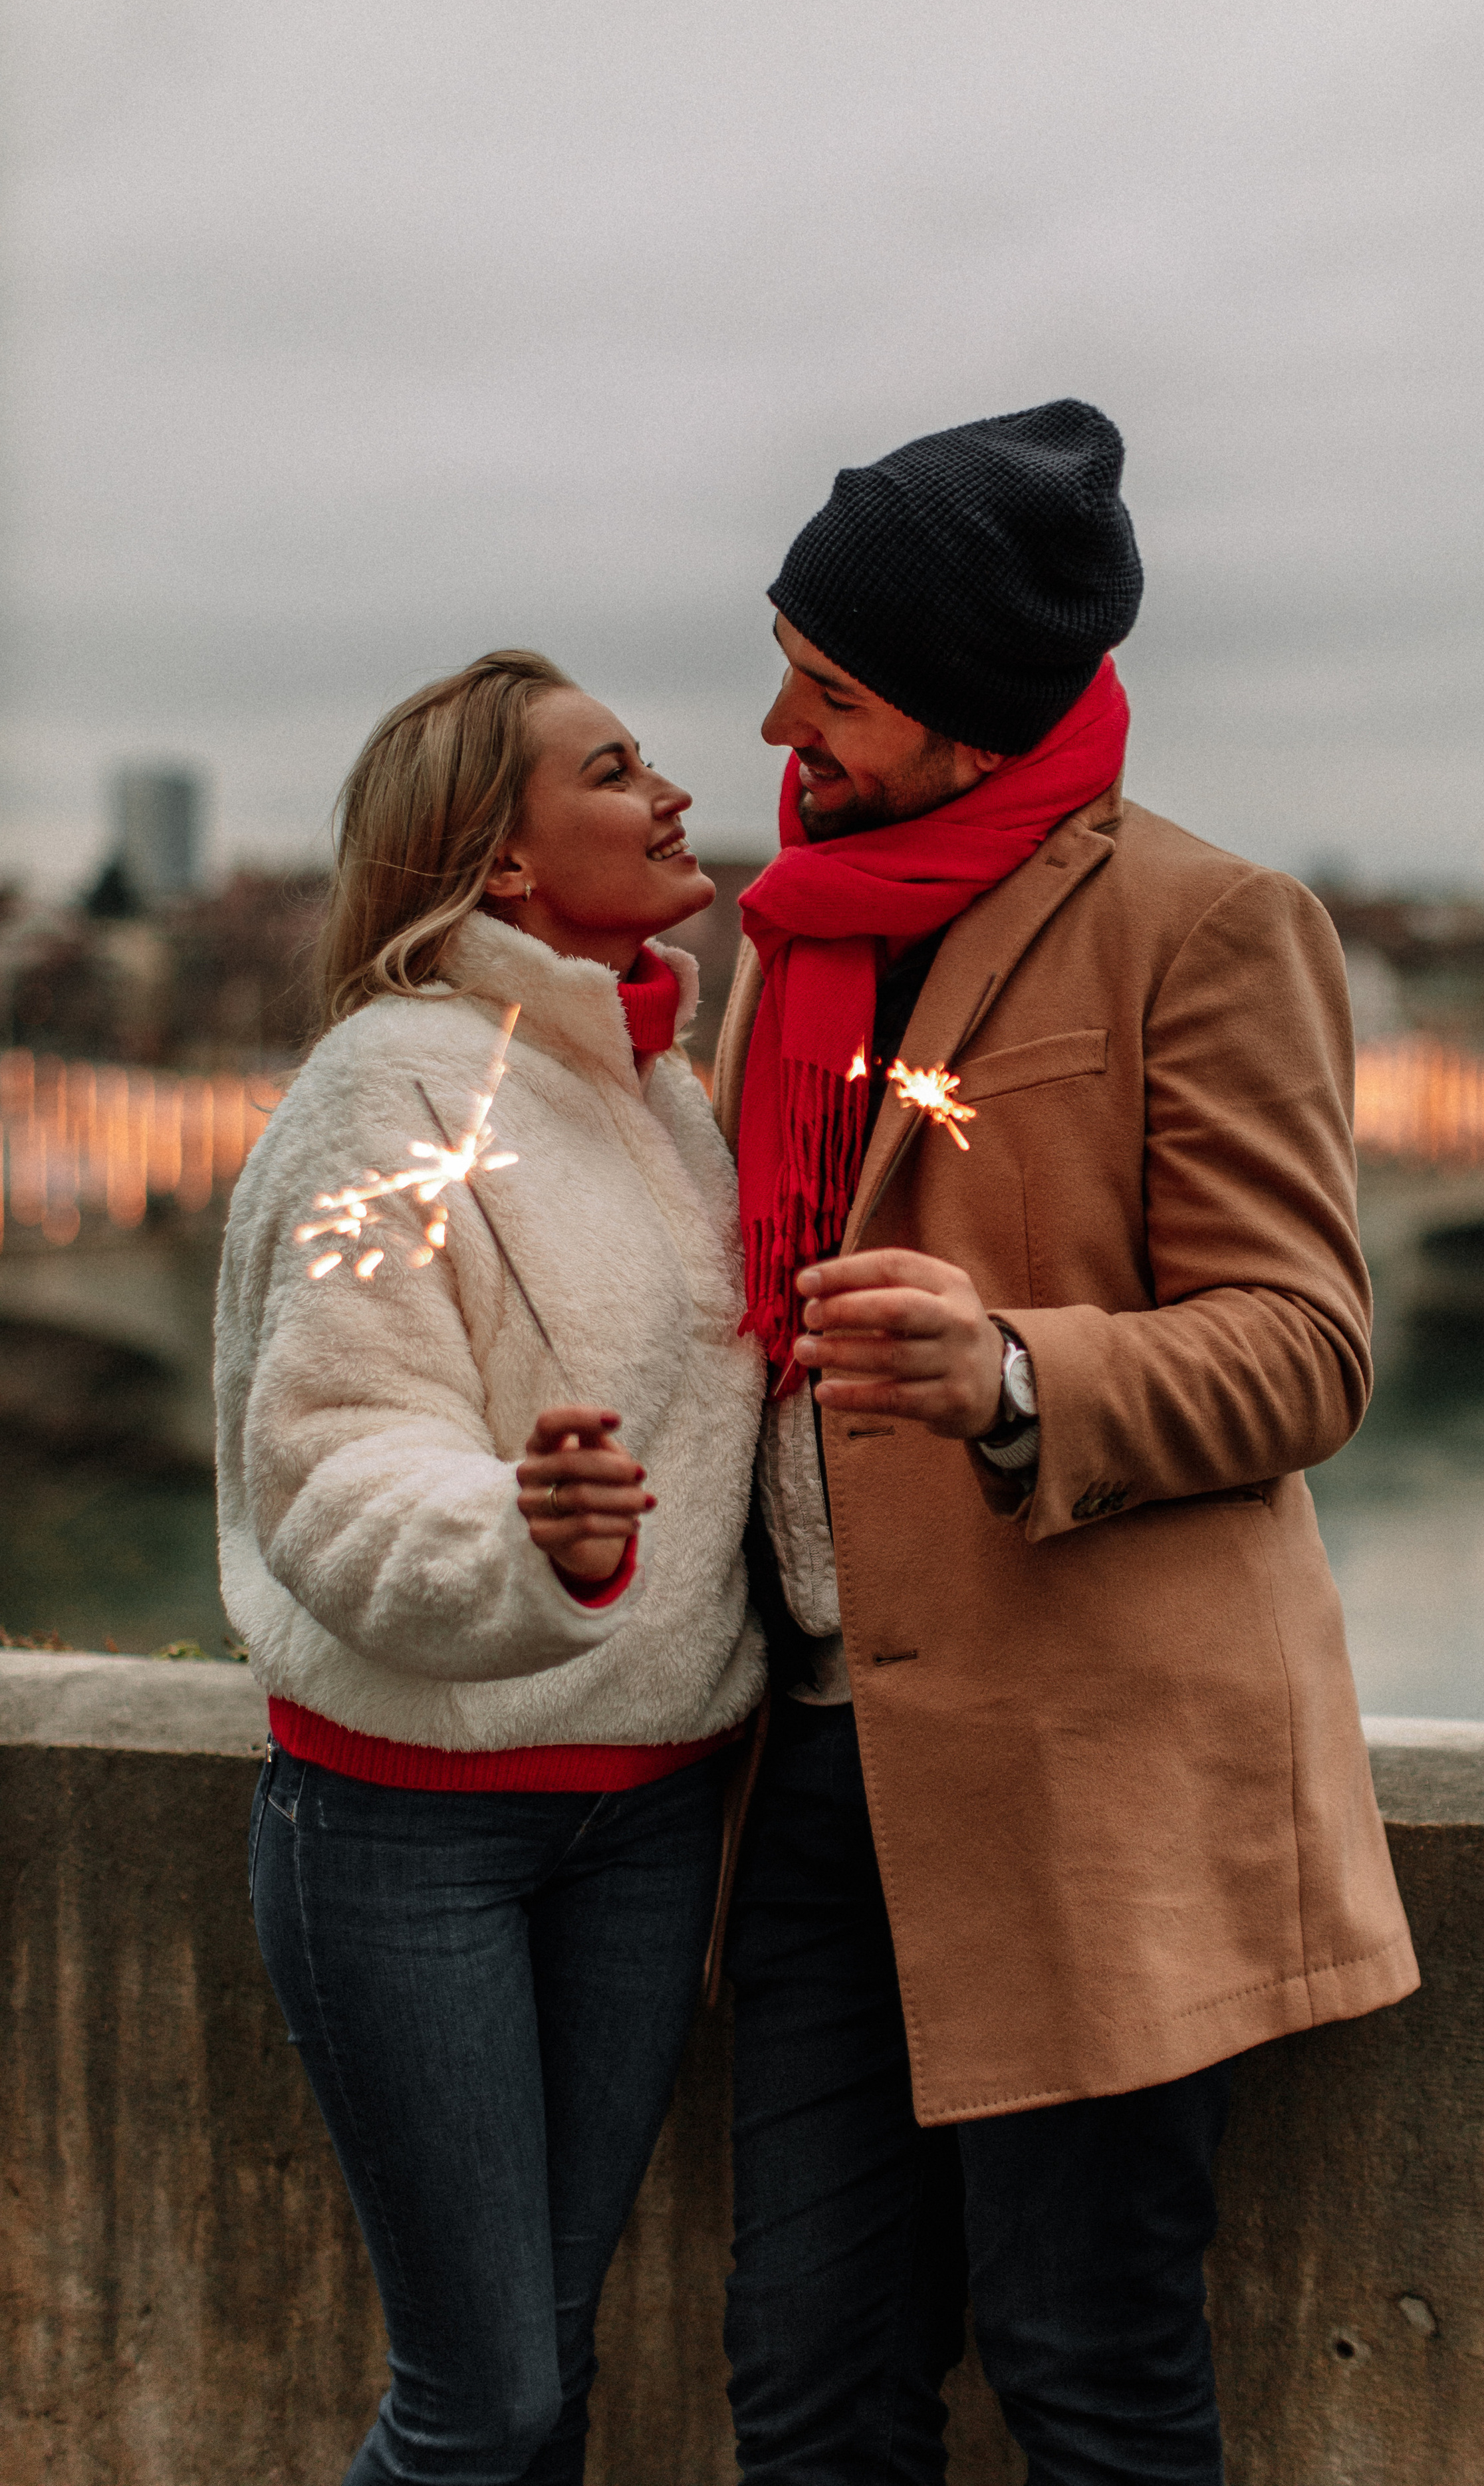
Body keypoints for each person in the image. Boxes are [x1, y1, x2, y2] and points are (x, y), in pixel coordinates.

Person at [713, 402, 1419, 2485]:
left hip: (1080, 1786)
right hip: (822, 1774)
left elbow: (1305, 1347)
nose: (781, 719)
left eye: (828, 685)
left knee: (1087, 2381)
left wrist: (1020, 1374)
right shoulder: (797, 929)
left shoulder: (1207, 925)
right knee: (807, 2392)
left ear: (964, 707)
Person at [218, 649, 766, 2486]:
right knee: (487, 2404)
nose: (674, 792)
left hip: (652, 1803)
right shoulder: (389, 1091)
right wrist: (519, 1535)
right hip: (409, 1821)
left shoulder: (653, 1084)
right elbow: (328, 1442)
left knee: (553, 2366)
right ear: (505, 865)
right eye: (614, 771)